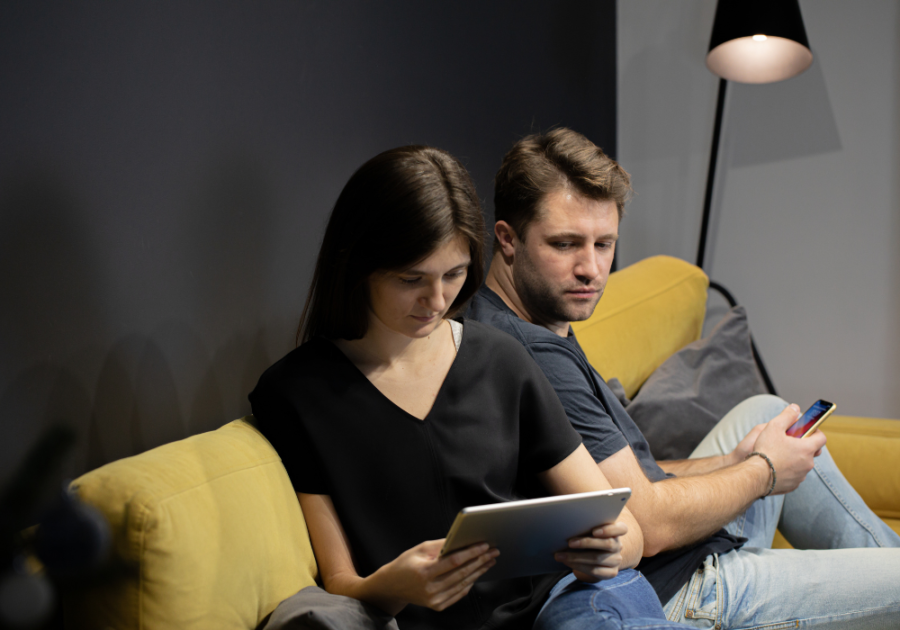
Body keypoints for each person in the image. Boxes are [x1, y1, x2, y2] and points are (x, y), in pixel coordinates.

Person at [468, 127, 900, 629]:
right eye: (564, 244)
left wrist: (732, 461)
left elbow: (620, 480)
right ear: (507, 239)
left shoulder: (530, 313)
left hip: (669, 554)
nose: (591, 268)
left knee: (761, 413)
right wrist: (763, 471)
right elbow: (645, 524)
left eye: (604, 243)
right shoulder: (531, 353)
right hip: (677, 586)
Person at [249, 145, 693, 630]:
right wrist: (395, 585)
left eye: (455, 274)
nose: (437, 300)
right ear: (358, 265)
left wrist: (604, 552)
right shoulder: (297, 394)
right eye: (411, 278)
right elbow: (340, 581)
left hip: (566, 600)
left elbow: (625, 529)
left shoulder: (500, 358)